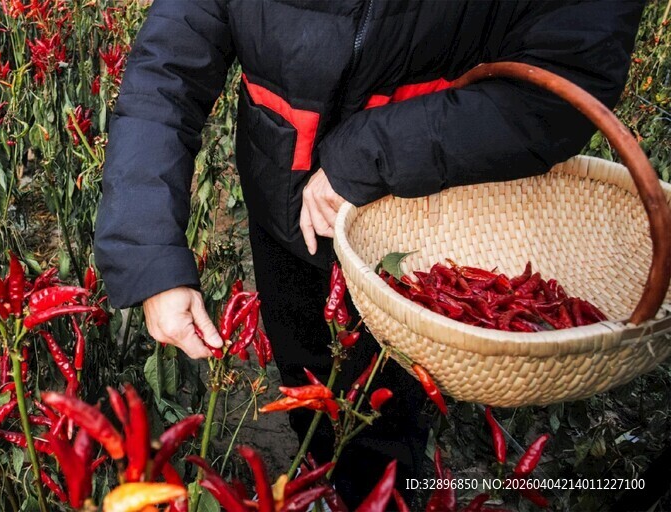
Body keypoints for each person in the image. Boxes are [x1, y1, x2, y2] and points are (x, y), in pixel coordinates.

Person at [94, 0, 645, 506]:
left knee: (388, 421)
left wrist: (367, 156)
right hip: (279, 205)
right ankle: (325, 470)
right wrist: (149, 252)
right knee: (306, 375)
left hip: (416, 229)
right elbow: (167, 72)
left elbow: (571, 73)